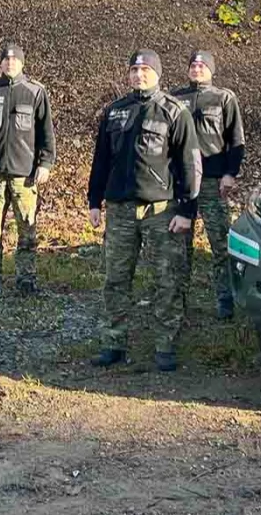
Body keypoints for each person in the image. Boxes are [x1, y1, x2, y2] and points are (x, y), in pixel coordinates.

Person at [87, 49, 201, 372]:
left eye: (145, 70)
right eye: (134, 69)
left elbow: (190, 163)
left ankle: (165, 344)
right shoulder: (114, 112)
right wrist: (94, 201)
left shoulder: (174, 111)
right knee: (115, 279)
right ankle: (114, 342)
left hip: (161, 211)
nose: (139, 75)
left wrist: (187, 209)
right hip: (120, 210)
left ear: (157, 74)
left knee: (166, 279)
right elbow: (101, 161)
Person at [0, 43, 57, 298]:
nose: (10, 63)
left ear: (22, 63)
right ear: (0, 63)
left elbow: (46, 133)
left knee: (26, 228)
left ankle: (26, 279)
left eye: (15, 60)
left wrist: (46, 163)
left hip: (25, 174)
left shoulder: (35, 91)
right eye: (6, 60)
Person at [170, 50, 246, 320]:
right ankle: (178, 300)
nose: (197, 69)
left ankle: (226, 298)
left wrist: (230, 173)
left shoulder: (224, 97)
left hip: (213, 182)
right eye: (193, 64)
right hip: (181, 184)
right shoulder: (175, 99)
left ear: (211, 70)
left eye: (202, 65)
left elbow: (236, 140)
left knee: (220, 244)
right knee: (180, 245)